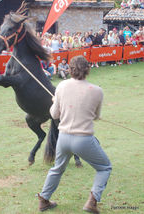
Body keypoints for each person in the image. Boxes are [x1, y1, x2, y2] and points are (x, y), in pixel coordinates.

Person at [38, 55, 112, 213]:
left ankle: (44, 199)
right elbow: (96, 117)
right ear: (87, 69)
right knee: (105, 167)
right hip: (83, 139)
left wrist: (55, 102)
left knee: (57, 168)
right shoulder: (97, 91)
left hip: (63, 138)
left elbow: (54, 115)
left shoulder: (62, 86)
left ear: (70, 69)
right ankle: (92, 202)